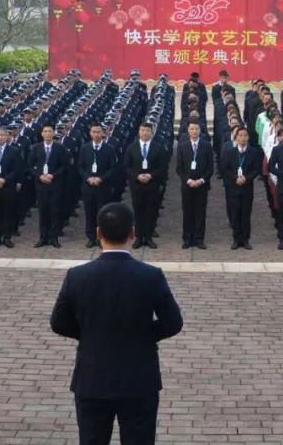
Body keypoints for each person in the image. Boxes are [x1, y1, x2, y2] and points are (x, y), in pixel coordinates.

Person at [50, 203, 183, 445]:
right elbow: (173, 323)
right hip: (139, 378)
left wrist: (90, 333)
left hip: (92, 375)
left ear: (98, 233)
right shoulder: (151, 276)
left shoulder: (77, 276)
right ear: (133, 233)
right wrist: (142, 335)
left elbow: (58, 323)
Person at [124, 122, 168, 249]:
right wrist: (137, 176)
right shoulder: (132, 147)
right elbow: (127, 166)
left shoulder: (158, 147)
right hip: (137, 185)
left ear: (151, 132)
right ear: (139, 132)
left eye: (147, 131)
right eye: (142, 130)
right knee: (138, 211)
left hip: (152, 185)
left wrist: (151, 176)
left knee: (151, 211)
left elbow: (162, 167)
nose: (144, 133)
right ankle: (138, 237)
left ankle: (148, 237)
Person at [77, 123, 119, 248]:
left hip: (103, 186)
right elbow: (80, 166)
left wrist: (101, 178)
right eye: (94, 132)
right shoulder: (85, 148)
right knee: (89, 212)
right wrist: (88, 178)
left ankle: (102, 237)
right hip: (88, 185)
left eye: (98, 132)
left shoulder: (109, 148)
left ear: (103, 133)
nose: (96, 134)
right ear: (90, 133)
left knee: (103, 213)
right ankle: (91, 237)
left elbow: (112, 168)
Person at [219, 126, 261, 250]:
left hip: (247, 187)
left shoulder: (253, 152)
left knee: (246, 215)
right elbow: (225, 169)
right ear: (236, 138)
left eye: (245, 135)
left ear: (248, 138)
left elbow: (256, 169)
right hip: (233, 187)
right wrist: (234, 178)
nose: (243, 138)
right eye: (240, 135)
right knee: (235, 214)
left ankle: (246, 239)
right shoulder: (230, 152)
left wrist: (246, 178)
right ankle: (236, 239)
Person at [176, 122, 214, 249]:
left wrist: (201, 180)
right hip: (187, 186)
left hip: (201, 185)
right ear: (188, 131)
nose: (194, 131)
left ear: (200, 130)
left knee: (200, 212)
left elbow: (210, 168)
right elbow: (179, 168)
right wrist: (188, 180)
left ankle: (199, 239)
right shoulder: (182, 146)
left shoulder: (206, 146)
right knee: (187, 212)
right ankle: (187, 238)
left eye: (196, 129)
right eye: (191, 129)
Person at [30, 125, 69, 248]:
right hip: (41, 184)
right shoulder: (36, 148)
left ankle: (54, 237)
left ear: (53, 133)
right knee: (43, 211)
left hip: (55, 184)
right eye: (45, 131)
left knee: (54, 211)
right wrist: (39, 176)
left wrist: (53, 176)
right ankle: (43, 237)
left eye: (50, 131)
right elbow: (30, 165)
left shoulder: (60, 148)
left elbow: (64, 166)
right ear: (42, 134)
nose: (47, 134)